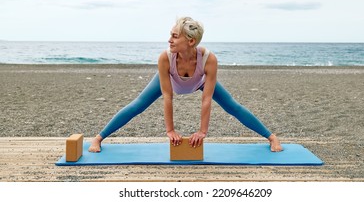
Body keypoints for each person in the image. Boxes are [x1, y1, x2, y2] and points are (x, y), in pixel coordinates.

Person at [89, 17, 283, 152]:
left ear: (190, 41)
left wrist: (202, 131)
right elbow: (168, 96)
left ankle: (271, 137)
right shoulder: (165, 58)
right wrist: (170, 130)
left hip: (199, 81)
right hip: (170, 79)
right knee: (137, 105)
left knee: (232, 106)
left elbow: (206, 100)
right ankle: (99, 138)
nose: (169, 40)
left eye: (174, 36)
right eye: (170, 35)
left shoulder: (209, 59)